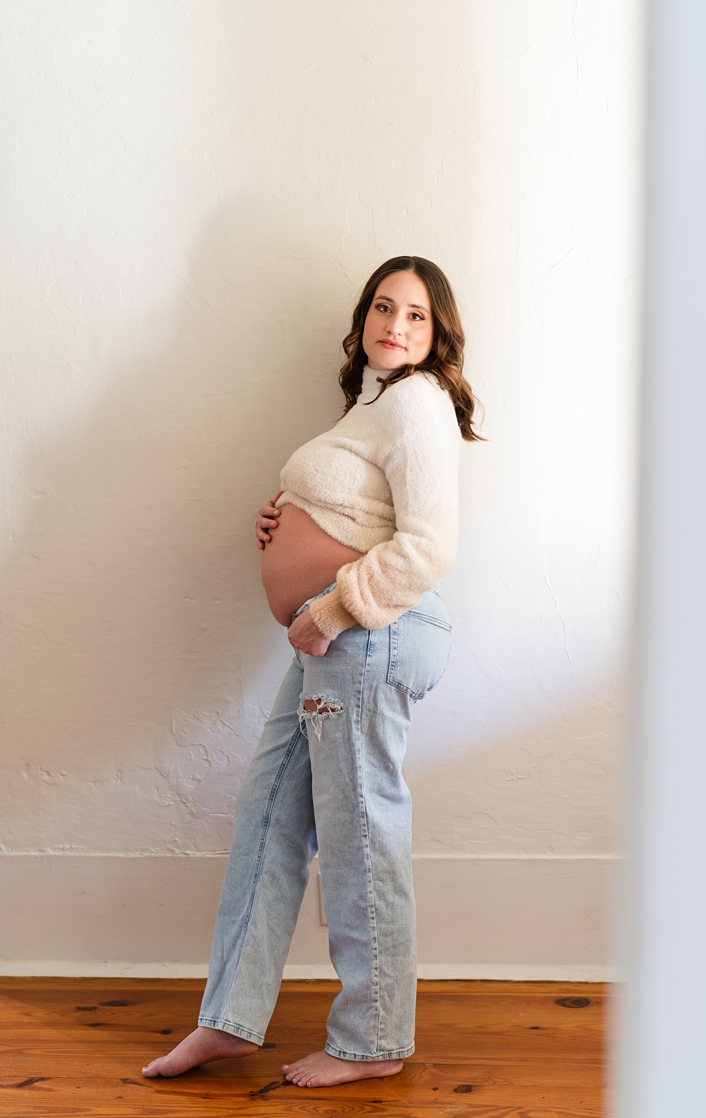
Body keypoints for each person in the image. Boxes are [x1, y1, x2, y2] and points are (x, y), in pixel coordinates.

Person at [143, 255, 483, 1088]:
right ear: (362, 317)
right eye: (382, 307)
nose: (395, 326)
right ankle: (229, 1018)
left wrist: (329, 609)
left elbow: (430, 544)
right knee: (267, 814)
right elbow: (356, 508)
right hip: (337, 639)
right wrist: (285, 514)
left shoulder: (418, 400)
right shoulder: (368, 405)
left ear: (436, 336)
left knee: (359, 829)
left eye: (415, 316)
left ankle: (374, 1040)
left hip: (365, 632)